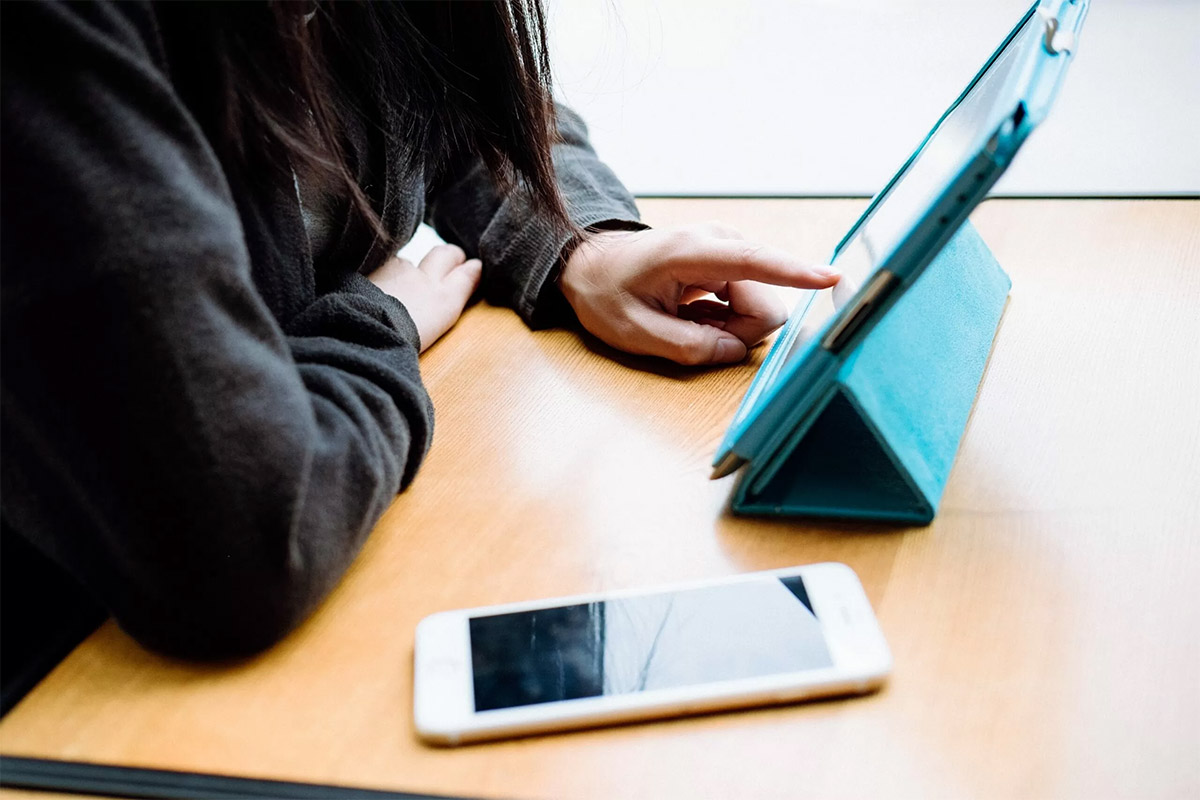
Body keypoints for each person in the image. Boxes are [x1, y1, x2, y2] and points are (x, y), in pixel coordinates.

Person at [0, 0, 839, 677]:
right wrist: (378, 321)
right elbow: (247, 542)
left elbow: (464, 100)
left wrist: (581, 244)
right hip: (69, 665)